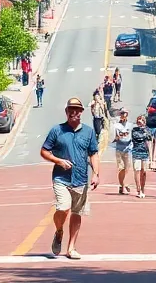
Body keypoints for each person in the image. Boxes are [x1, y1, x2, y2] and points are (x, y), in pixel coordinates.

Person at [41, 97, 100, 260]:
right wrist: (58, 160)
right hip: (61, 178)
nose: (74, 112)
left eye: (77, 110)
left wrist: (96, 173)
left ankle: (71, 248)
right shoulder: (57, 130)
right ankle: (59, 230)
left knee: (77, 212)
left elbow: (93, 153)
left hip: (81, 179)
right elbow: (44, 151)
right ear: (66, 112)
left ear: (81, 112)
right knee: (63, 207)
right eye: (71, 109)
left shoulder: (88, 132)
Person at [130, 115, 152, 198]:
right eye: (139, 121)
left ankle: (143, 188)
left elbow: (149, 139)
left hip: (145, 153)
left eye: (142, 120)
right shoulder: (134, 130)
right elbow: (137, 137)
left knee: (144, 172)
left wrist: (151, 156)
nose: (140, 122)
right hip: (136, 152)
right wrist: (144, 135)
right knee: (137, 170)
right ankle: (138, 189)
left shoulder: (148, 130)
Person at [112, 109, 134, 194]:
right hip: (119, 149)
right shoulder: (116, 126)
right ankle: (123, 186)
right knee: (121, 168)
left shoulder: (130, 125)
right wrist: (118, 137)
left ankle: (124, 185)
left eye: (125, 113)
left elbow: (133, 136)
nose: (123, 115)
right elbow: (113, 139)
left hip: (128, 149)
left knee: (127, 168)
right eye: (122, 113)